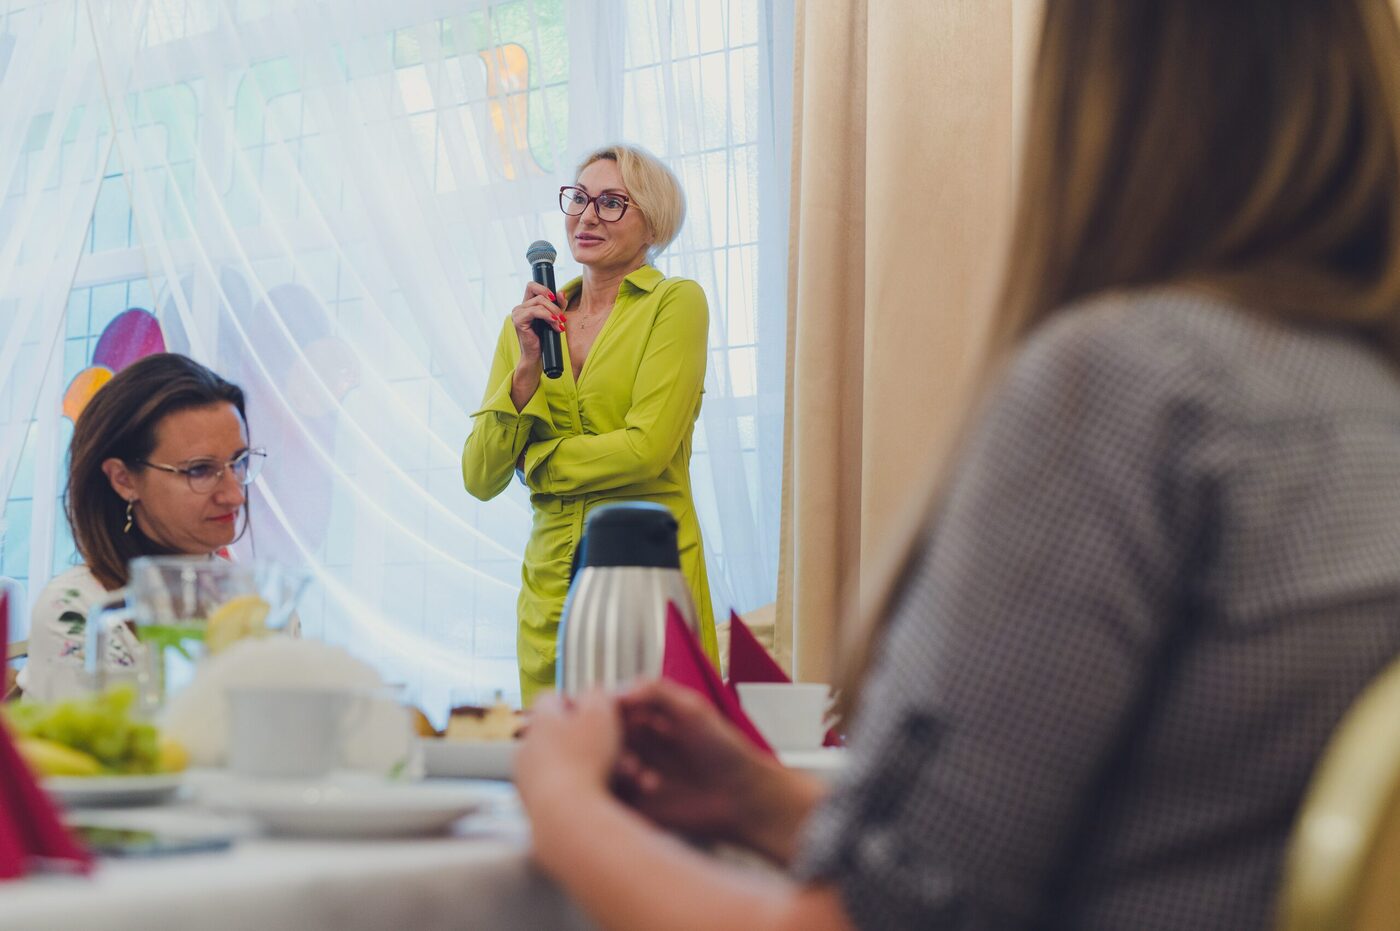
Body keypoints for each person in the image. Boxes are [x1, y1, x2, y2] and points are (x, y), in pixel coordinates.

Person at [513, 1, 1400, 928]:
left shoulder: (1127, 388)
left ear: (1095, 99)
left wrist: (562, 796)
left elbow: (872, 920)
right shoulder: (1363, 398)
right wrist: (757, 798)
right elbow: (1112, 840)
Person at [463, 144, 717, 705]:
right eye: (578, 198)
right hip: (549, 588)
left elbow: (645, 449)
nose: (586, 216)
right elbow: (479, 476)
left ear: (653, 222)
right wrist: (524, 372)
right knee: (554, 753)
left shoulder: (675, 303)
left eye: (611, 203)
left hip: (647, 579)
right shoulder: (528, 325)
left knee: (652, 752)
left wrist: (539, 463)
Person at [19, 353, 264, 702]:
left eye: (239, 462)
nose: (234, 495)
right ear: (123, 479)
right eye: (199, 470)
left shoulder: (259, 601)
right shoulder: (79, 610)